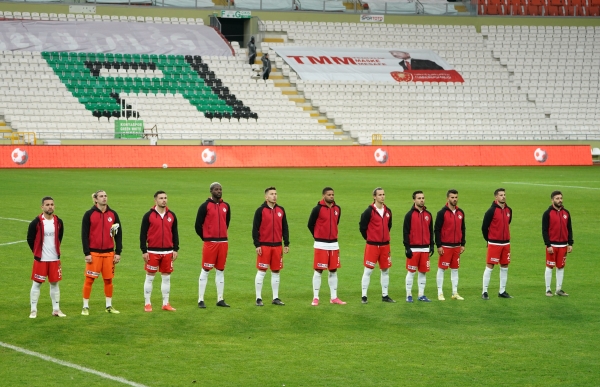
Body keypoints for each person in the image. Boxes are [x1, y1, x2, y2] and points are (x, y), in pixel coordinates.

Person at [81, 190, 123, 315]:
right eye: (101, 196)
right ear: (95, 199)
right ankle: (85, 306)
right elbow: (84, 235)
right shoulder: (89, 214)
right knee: (89, 280)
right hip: (94, 254)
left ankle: (109, 306)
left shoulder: (113, 214)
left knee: (108, 280)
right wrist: (87, 253)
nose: (104, 198)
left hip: (109, 253)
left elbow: (118, 234)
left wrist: (118, 252)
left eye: (105, 196)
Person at [140, 191, 179, 312]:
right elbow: (142, 234)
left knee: (166, 278)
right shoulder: (148, 216)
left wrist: (175, 249)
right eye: (161, 198)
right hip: (152, 251)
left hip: (168, 251)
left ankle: (165, 303)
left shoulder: (171, 215)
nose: (164, 200)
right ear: (155, 200)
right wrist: (144, 250)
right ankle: (147, 303)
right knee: (150, 277)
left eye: (165, 198)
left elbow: (175, 233)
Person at [27, 197, 65, 318]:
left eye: (52, 204)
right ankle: (33, 310)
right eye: (47, 204)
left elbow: (60, 237)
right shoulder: (36, 222)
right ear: (42, 207)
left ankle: (56, 310)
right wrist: (37, 251)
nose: (50, 207)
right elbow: (30, 238)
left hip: (54, 259)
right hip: (41, 259)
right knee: (37, 283)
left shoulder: (59, 222)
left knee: (54, 284)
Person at [307, 187, 346, 306]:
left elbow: (336, 222)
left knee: (333, 270)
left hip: (334, 244)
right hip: (320, 244)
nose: (331, 196)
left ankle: (334, 297)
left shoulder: (337, 209)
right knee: (318, 270)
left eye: (333, 194)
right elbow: (310, 224)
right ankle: (315, 297)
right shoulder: (317, 209)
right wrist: (318, 236)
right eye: (329, 194)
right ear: (324, 195)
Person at [195, 182, 231, 308]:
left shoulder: (226, 206)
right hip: (210, 243)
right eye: (216, 189)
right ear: (211, 191)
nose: (219, 191)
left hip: (223, 242)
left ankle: (220, 299)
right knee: (205, 270)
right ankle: (200, 299)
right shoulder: (204, 206)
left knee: (220, 270)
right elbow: (197, 225)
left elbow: (227, 222)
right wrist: (206, 237)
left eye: (220, 189)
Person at [253, 186, 289, 306]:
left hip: (277, 246)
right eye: (272, 194)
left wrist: (286, 243)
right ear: (266, 197)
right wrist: (257, 244)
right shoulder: (260, 211)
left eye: (275, 194)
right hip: (264, 246)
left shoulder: (281, 210)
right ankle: (258, 298)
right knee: (262, 271)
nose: (274, 196)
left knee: (276, 271)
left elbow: (285, 228)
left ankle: (276, 298)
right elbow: (255, 229)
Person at [359, 187, 394, 304]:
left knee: (385, 270)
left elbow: (389, 226)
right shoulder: (369, 211)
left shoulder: (388, 211)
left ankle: (385, 295)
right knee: (368, 270)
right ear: (374, 197)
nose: (382, 197)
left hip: (385, 246)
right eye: (379, 195)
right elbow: (362, 227)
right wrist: (370, 238)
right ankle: (364, 296)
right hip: (372, 246)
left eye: (383, 194)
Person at [434, 189, 466, 301]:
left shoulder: (460, 212)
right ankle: (440, 292)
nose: (454, 199)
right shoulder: (442, 213)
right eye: (452, 197)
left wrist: (463, 243)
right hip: (446, 246)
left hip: (457, 246)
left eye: (456, 197)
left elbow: (463, 228)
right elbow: (436, 229)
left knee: (455, 269)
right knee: (442, 268)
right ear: (447, 198)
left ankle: (454, 292)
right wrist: (439, 245)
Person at [481, 188, 513, 300]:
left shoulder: (509, 210)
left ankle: (502, 291)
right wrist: (489, 240)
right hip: (494, 243)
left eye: (504, 194)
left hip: (506, 243)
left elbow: (508, 223)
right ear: (496, 197)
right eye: (501, 195)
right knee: (490, 266)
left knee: (505, 266)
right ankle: (484, 291)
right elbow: (484, 227)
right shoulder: (491, 211)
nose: (503, 196)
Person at [403, 191, 434, 303]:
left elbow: (431, 231)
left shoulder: (428, 215)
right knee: (411, 272)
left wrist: (431, 245)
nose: (421, 200)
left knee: (423, 272)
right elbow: (405, 232)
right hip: (413, 248)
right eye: (419, 198)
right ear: (414, 200)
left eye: (423, 198)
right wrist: (407, 247)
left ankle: (421, 294)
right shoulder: (409, 215)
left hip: (425, 248)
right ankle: (408, 294)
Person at [542, 191, 573, 297]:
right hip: (552, 245)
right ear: (552, 200)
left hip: (563, 245)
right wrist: (548, 244)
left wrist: (570, 243)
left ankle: (559, 289)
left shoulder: (566, 213)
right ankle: (548, 289)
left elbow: (569, 228)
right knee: (550, 266)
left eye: (560, 198)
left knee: (561, 267)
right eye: (557, 198)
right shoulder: (547, 213)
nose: (559, 200)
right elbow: (544, 230)